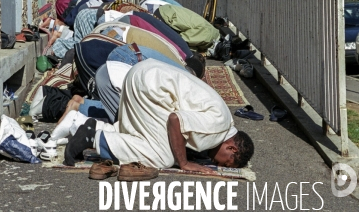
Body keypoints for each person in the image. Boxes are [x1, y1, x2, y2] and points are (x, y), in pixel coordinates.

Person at [64, 59, 254, 174]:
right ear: (232, 148)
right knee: (164, 157)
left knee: (134, 133)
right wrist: (184, 163)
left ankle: (92, 128)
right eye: (224, 161)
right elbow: (175, 120)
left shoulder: (223, 119)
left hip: (140, 75)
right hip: (152, 86)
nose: (216, 163)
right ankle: (93, 138)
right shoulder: (219, 125)